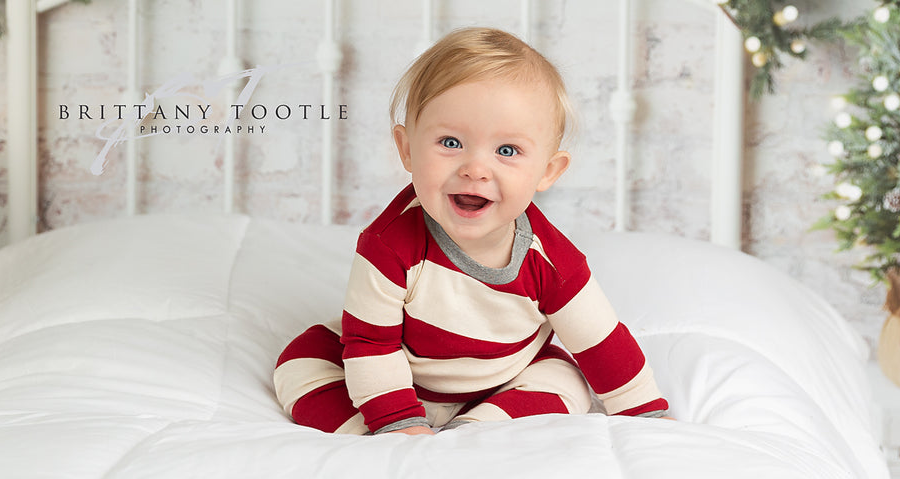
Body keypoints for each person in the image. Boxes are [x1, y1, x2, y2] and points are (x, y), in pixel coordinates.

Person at [274, 27, 670, 435]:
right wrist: (397, 422)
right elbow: (372, 346)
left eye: (507, 151)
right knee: (301, 364)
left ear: (547, 172)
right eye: (450, 142)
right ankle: (395, 435)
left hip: (502, 378)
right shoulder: (388, 245)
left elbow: (601, 341)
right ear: (407, 149)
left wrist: (644, 413)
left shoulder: (550, 259)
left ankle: (474, 433)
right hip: (395, 371)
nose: (475, 169)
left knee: (566, 380)